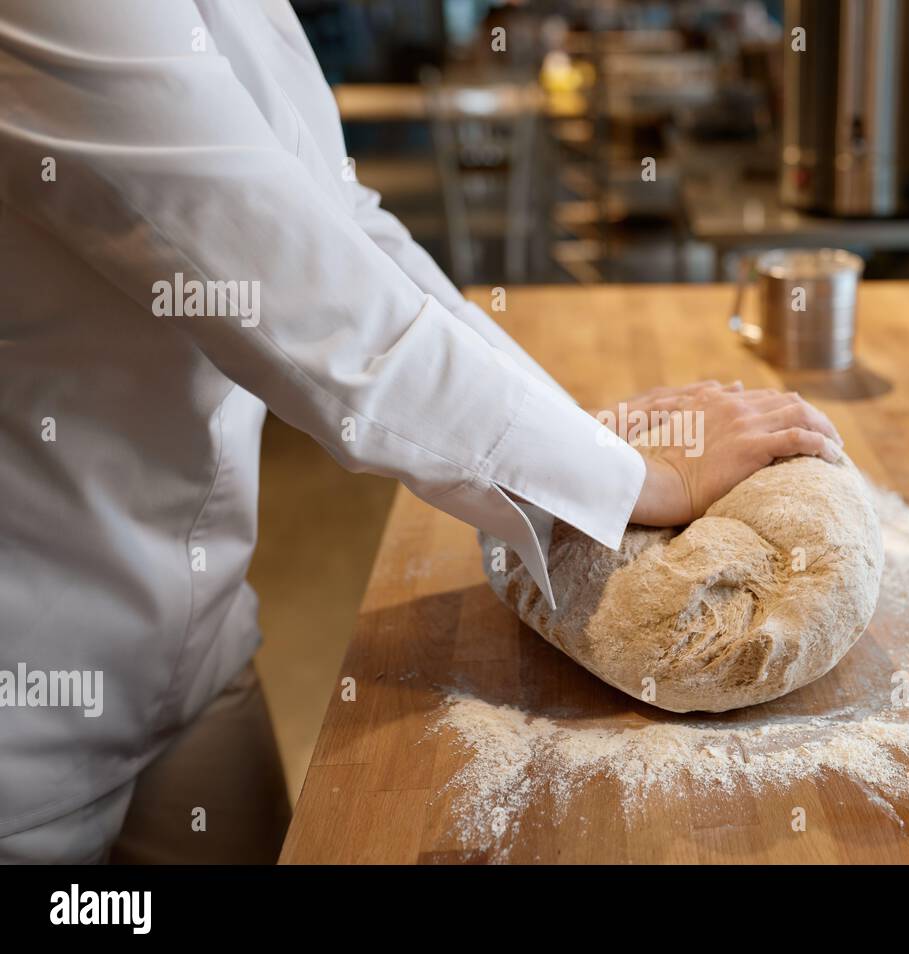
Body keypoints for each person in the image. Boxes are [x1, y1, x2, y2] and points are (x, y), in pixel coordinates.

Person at [0, 0, 840, 863]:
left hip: (196, 642)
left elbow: (346, 225)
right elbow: (303, 294)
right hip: (32, 718)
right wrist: (627, 475)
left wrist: (582, 438)